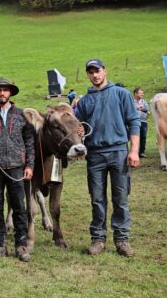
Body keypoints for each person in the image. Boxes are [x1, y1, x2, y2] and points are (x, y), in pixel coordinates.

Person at [76, 59, 140, 257]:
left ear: (105, 71)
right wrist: (78, 133)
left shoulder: (121, 94)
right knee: (97, 199)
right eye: (91, 72)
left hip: (118, 152)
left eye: (97, 71)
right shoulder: (85, 101)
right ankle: (98, 239)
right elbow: (80, 127)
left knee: (120, 198)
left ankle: (122, 239)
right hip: (95, 155)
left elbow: (134, 121)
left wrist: (134, 150)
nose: (94, 75)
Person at [0, 78, 34, 262]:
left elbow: (29, 142)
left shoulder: (21, 115)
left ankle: (21, 245)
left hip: (16, 168)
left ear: (11, 93)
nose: (2, 93)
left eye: (5, 90)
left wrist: (30, 165)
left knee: (20, 207)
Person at [133, 87, 150, 158]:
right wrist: (137, 107)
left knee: (143, 137)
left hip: (144, 121)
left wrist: (139, 107)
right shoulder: (131, 101)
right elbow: (130, 108)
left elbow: (147, 109)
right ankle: (134, 152)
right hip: (134, 121)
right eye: (141, 93)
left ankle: (142, 152)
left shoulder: (144, 101)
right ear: (136, 93)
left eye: (142, 93)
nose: (142, 94)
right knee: (135, 137)